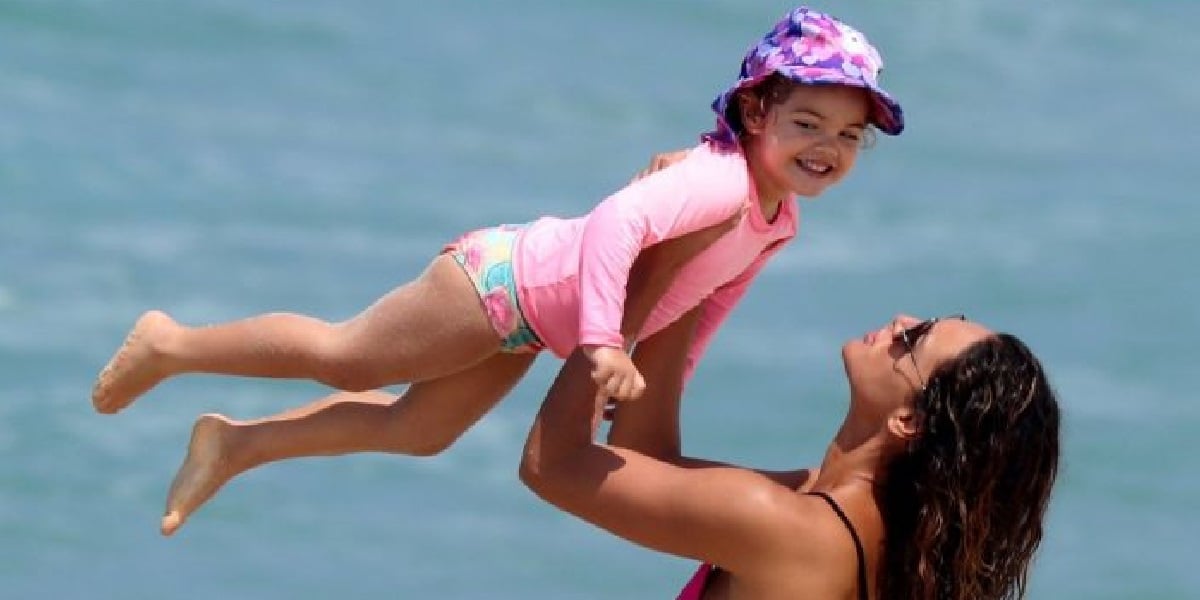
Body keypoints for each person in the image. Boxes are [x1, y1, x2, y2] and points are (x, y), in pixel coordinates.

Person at [93, 5, 905, 536]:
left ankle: (238, 445)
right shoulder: (719, 176)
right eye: (807, 122)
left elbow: (701, 305)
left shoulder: (776, 218)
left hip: (532, 328)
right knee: (347, 355)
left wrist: (654, 382)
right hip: (502, 284)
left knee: (419, 434)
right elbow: (618, 224)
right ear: (756, 110)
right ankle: (173, 344)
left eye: (847, 136)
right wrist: (600, 343)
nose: (826, 149)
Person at [521, 311, 1061, 600]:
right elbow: (643, 463)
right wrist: (696, 265)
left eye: (914, 340)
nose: (900, 320)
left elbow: (555, 465)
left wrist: (624, 292)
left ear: (909, 422)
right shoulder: (846, 522)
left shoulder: (791, 526)